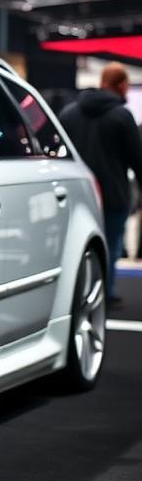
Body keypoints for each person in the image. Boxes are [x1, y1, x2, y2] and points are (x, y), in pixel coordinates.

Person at [59, 63, 142, 307]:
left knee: (76, 248)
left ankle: (77, 297)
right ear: (122, 85)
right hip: (113, 196)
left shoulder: (68, 113)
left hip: (76, 195)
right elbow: (137, 160)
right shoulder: (122, 116)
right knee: (111, 247)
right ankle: (104, 294)